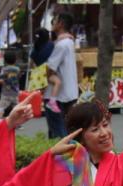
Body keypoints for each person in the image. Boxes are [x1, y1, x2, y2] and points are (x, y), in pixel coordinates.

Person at [43, 11, 78, 139]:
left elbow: (50, 69)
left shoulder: (61, 45)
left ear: (61, 24)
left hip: (56, 95)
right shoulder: (68, 42)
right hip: (69, 93)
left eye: (54, 21)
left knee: (58, 132)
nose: (52, 23)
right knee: (65, 129)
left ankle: (62, 156)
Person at [0, 49, 21, 119]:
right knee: (16, 108)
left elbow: (1, 76)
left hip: (5, 92)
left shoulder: (4, 69)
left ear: (5, 60)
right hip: (15, 92)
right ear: (15, 59)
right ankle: (18, 123)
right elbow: (19, 77)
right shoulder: (17, 69)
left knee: (1, 107)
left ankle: (0, 120)